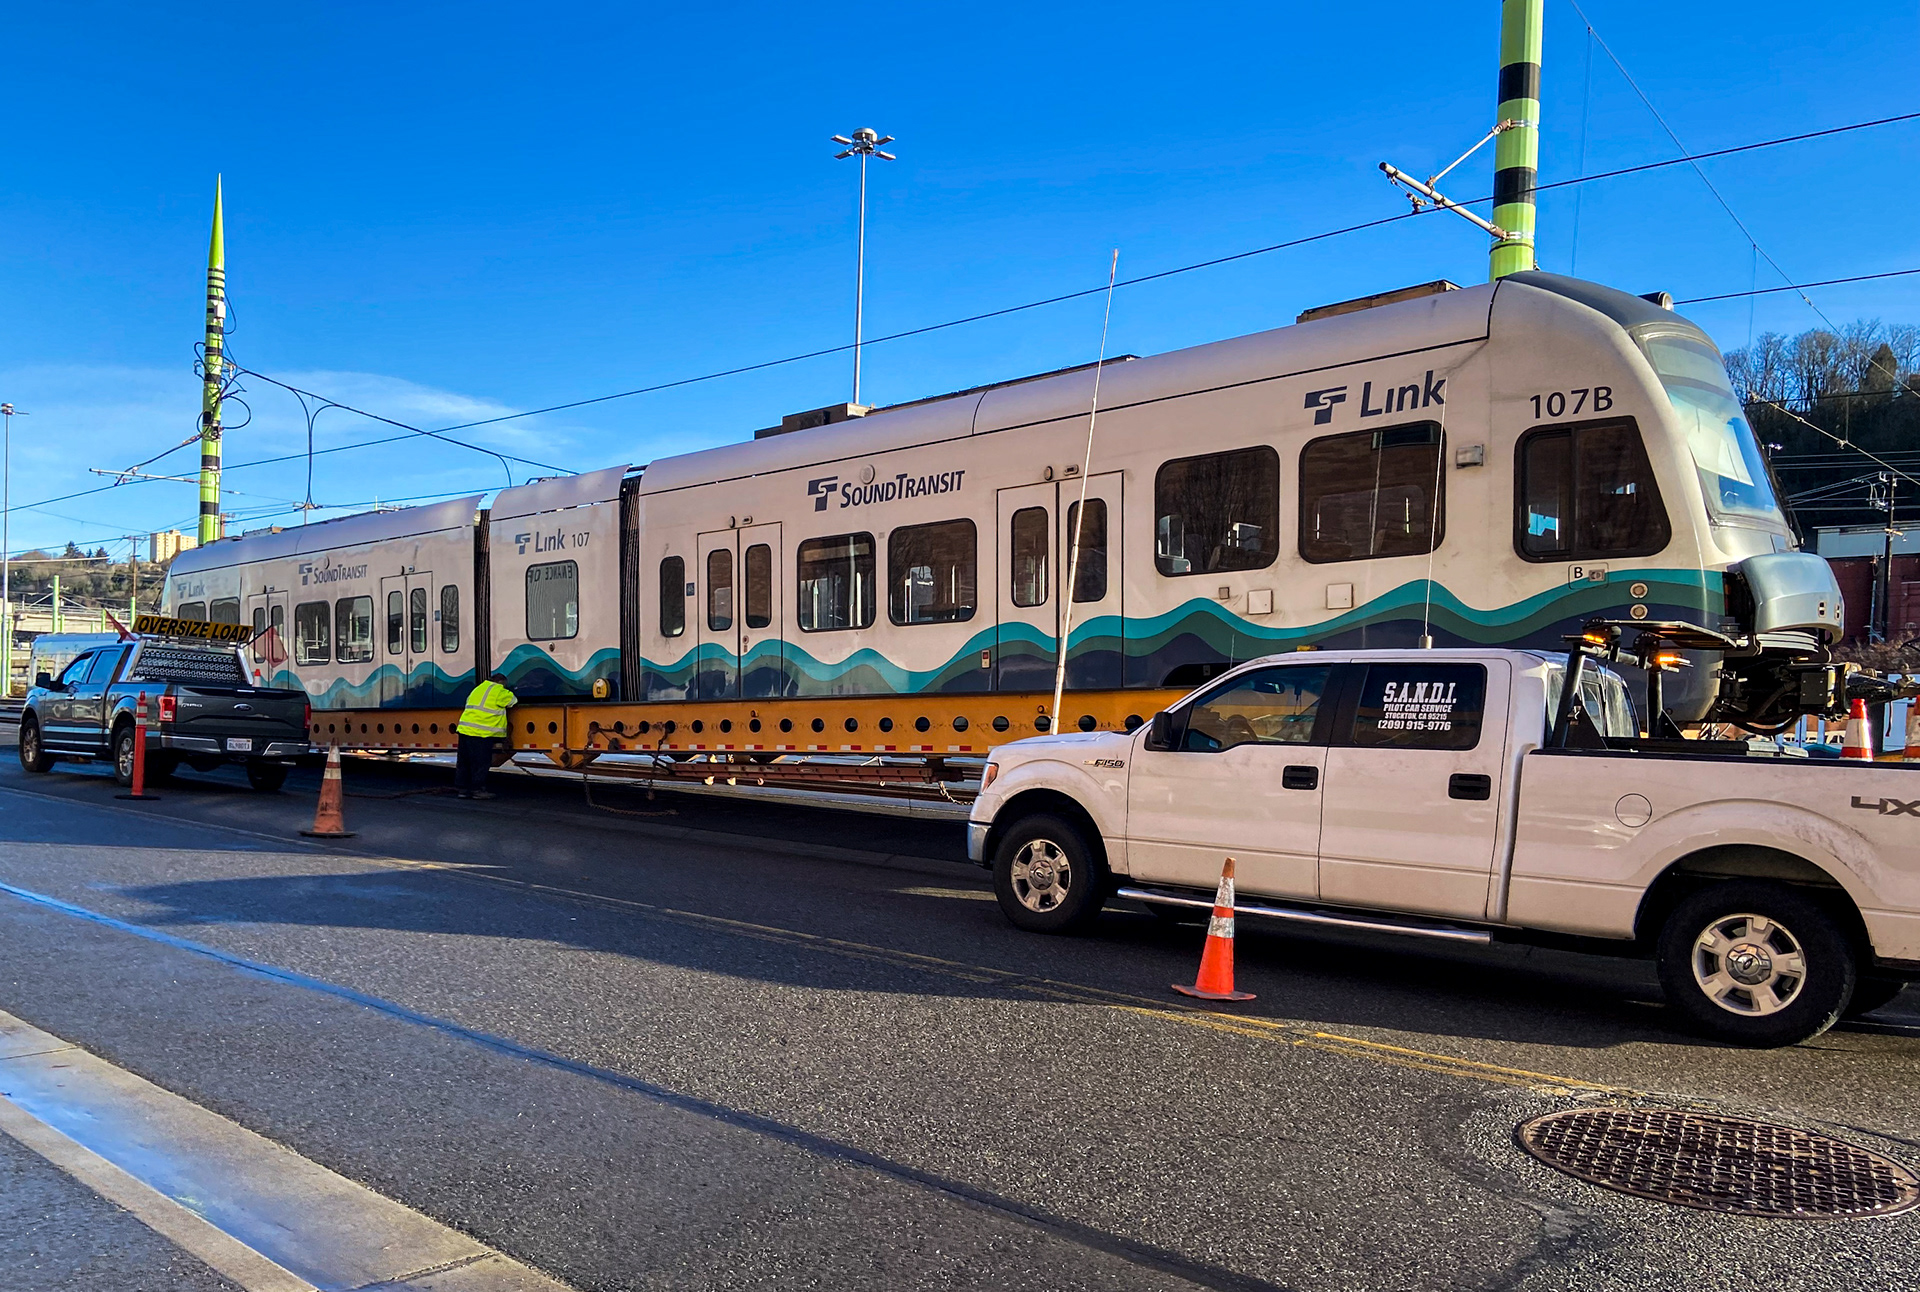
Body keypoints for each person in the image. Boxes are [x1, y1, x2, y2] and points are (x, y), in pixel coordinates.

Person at [454, 671, 518, 799]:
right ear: (501, 682)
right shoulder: (499, 691)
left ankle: (462, 790)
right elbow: (513, 701)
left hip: (465, 730)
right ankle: (477, 790)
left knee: (464, 761)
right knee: (480, 763)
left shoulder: (477, 689)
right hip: (481, 734)